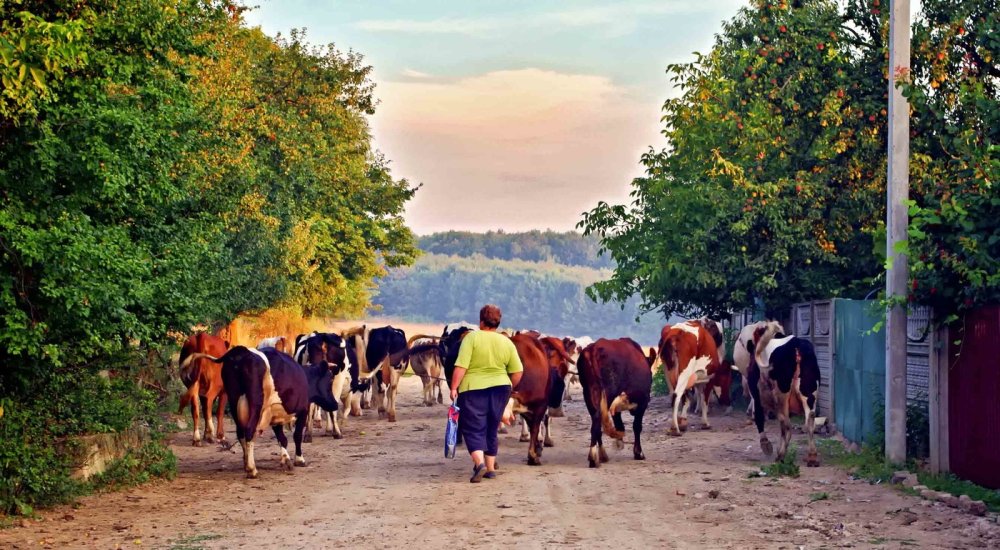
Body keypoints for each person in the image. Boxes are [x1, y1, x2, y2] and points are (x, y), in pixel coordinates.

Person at [449, 304, 523, 483]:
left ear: (481, 321)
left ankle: (480, 464)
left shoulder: (472, 338)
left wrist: (453, 387)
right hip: (501, 388)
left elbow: (461, 366)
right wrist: (508, 387)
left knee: (473, 427)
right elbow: (518, 371)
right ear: (498, 322)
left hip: (473, 389)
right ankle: (490, 469)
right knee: (492, 427)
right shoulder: (506, 341)